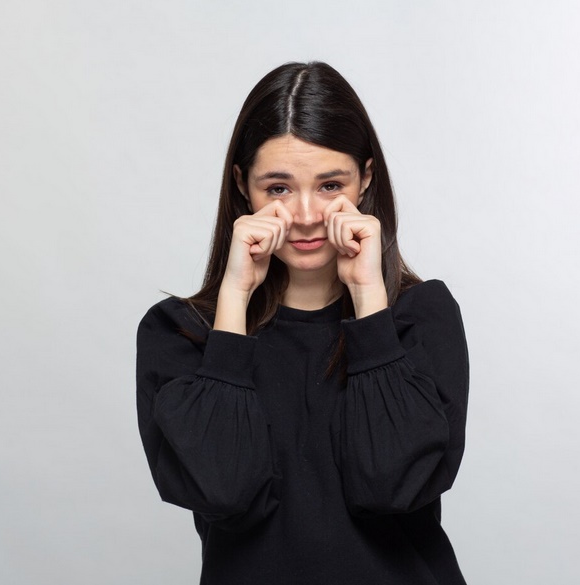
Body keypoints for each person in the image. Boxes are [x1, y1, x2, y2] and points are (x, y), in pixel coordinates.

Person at [136, 61, 470, 585]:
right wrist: (233, 300)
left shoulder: (421, 318)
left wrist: (368, 298)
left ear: (366, 179)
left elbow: (393, 486)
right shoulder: (180, 333)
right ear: (242, 186)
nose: (308, 214)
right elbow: (223, 491)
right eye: (279, 188)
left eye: (331, 184)